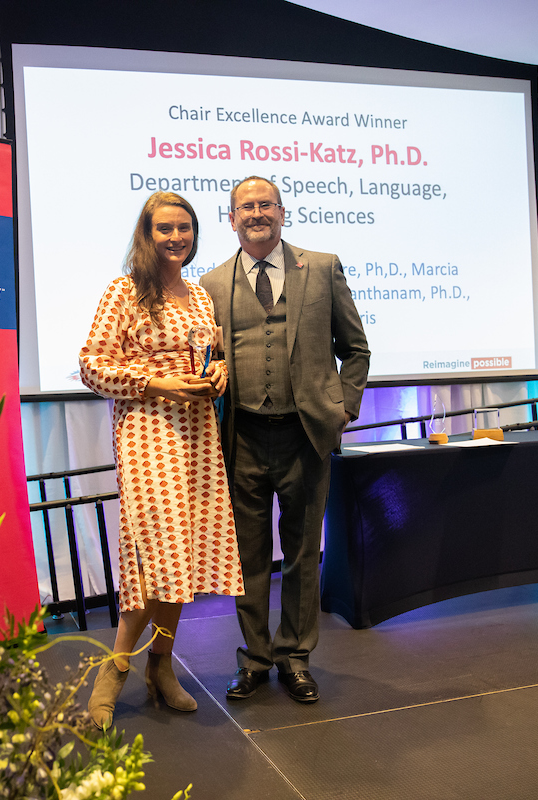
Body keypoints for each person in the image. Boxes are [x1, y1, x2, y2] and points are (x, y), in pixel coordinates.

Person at [200, 176, 370, 704]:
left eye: (266, 204)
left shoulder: (320, 267)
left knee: (302, 553)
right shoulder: (209, 283)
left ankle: (295, 658)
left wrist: (344, 407)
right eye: (245, 207)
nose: (256, 213)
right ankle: (254, 659)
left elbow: (357, 349)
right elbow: (207, 363)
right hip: (242, 438)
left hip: (305, 436)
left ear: (281, 212)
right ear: (231, 218)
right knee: (248, 558)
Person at [78, 191, 244, 728]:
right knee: (155, 555)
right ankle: (115, 671)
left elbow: (210, 358)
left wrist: (217, 374)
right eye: (164, 229)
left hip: (197, 431)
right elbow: (91, 366)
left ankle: (161, 666)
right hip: (147, 429)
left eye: (185, 229)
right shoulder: (125, 291)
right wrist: (156, 382)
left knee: (184, 554)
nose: (176, 238)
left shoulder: (199, 297)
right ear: (146, 235)